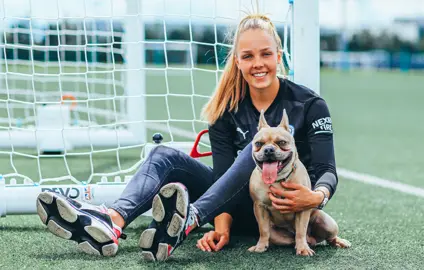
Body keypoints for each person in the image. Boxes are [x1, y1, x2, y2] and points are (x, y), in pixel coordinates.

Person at [36, 13, 347, 261]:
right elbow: (223, 177)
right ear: (237, 61)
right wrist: (221, 226)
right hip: (237, 208)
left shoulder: (309, 104)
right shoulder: (226, 109)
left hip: (288, 215)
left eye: (266, 54)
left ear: (279, 55)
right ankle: (113, 220)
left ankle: (186, 220)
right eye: (248, 56)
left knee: (254, 153)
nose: (258, 64)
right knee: (165, 156)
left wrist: (316, 197)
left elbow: (327, 169)